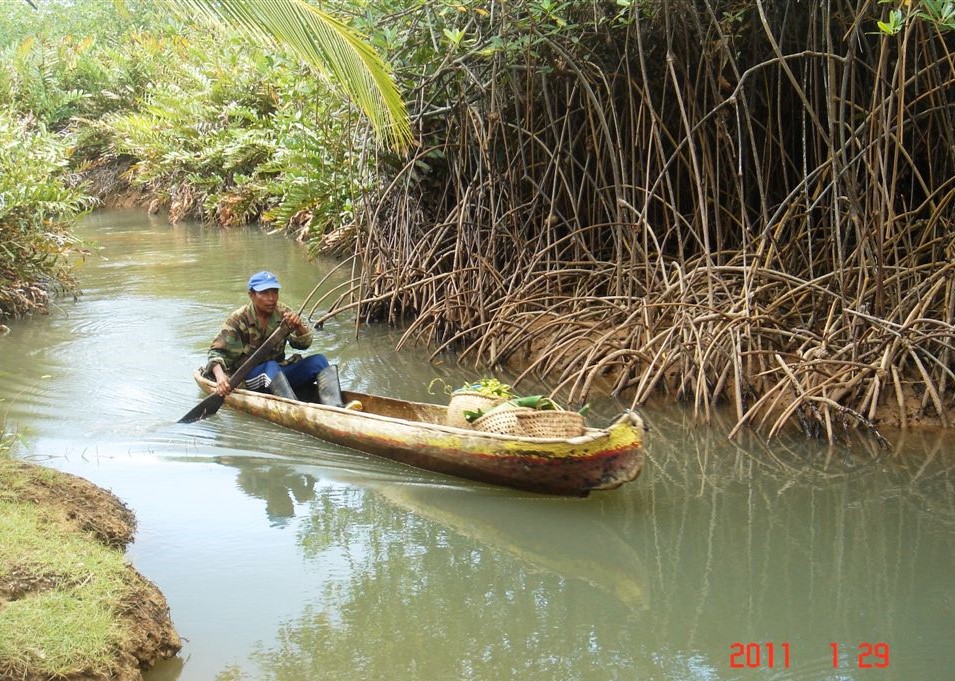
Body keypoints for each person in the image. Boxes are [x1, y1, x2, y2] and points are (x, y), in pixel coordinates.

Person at [204, 270, 344, 405]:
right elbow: (215, 353)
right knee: (270, 367)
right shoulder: (239, 319)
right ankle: (293, 407)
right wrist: (220, 378)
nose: (271, 298)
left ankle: (335, 406)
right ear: (251, 295)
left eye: (275, 292)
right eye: (264, 293)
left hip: (277, 376)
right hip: (248, 378)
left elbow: (303, 345)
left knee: (319, 360)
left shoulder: (283, 313)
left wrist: (299, 327)